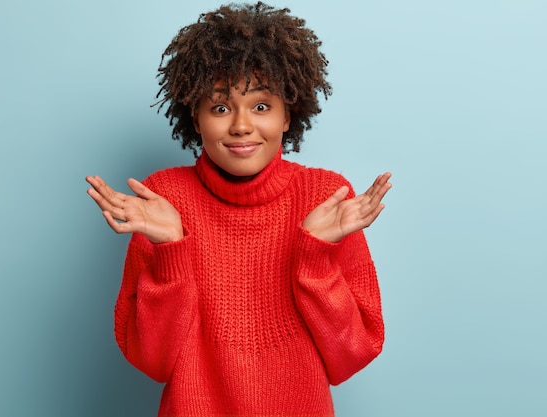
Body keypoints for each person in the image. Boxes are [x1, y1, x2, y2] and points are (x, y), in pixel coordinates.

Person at [86, 2, 392, 416]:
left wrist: (315, 257)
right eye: (220, 107)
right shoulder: (162, 200)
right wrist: (172, 251)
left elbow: (351, 355)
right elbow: (152, 362)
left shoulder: (328, 197)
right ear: (195, 117)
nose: (241, 126)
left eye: (262, 106)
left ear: (289, 114)